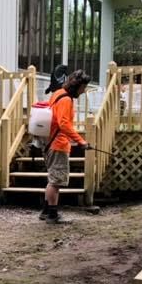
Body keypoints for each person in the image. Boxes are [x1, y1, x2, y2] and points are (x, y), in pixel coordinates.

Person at [41, 69, 92, 224]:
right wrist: (81, 141)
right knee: (55, 181)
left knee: (53, 180)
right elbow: (64, 124)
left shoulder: (57, 94)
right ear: (77, 86)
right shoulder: (66, 99)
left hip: (51, 142)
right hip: (58, 144)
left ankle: (46, 210)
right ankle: (52, 214)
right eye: (83, 87)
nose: (84, 91)